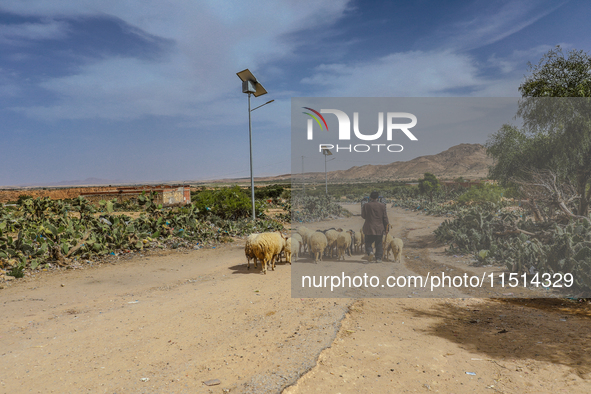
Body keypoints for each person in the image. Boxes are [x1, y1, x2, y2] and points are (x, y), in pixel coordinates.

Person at [361, 191, 389, 263]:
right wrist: (387, 227)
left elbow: (363, 216)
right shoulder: (382, 206)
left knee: (368, 242)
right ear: (377, 197)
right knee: (379, 243)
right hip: (379, 228)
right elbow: (385, 218)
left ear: (370, 197)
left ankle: (370, 252)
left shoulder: (366, 205)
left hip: (369, 228)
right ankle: (378, 258)